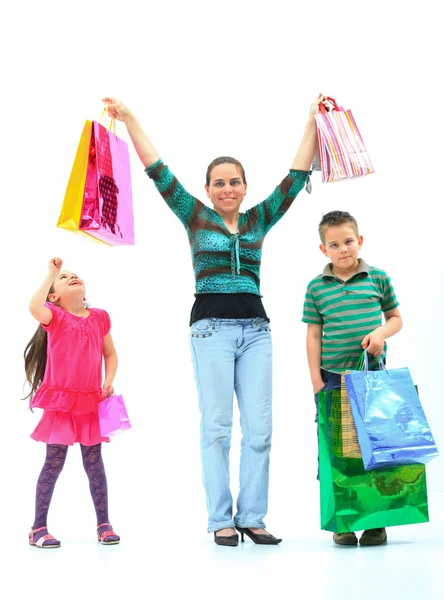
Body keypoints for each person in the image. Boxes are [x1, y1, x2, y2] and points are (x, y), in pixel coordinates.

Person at [103, 93, 329, 546]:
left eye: (235, 182)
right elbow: (158, 172)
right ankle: (221, 520)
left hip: (257, 332)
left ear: (245, 187)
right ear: (207, 189)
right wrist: (129, 119)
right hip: (210, 331)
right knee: (217, 427)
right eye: (219, 183)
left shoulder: (260, 220)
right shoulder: (195, 217)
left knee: (260, 430)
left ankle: (252, 517)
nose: (227, 189)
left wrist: (310, 120)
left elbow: (295, 177)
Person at [302, 210, 403, 546]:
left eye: (348, 241)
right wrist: (316, 380)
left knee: (375, 446)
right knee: (335, 450)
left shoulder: (377, 277)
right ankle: (342, 521)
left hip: (372, 375)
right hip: (333, 377)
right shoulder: (316, 287)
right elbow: (314, 335)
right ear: (324, 250)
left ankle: (377, 520)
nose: (343, 249)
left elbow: (395, 319)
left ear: (359, 241)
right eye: (334, 244)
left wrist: (380, 333)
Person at [24, 257, 120, 548]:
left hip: (91, 401)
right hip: (61, 402)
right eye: (65, 278)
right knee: (54, 462)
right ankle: (38, 527)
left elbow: (111, 354)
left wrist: (108, 380)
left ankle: (104, 524)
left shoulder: (100, 317)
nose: (72, 277)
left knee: (94, 464)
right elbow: (33, 307)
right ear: (54, 296)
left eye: (74, 275)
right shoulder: (54, 317)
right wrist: (51, 273)